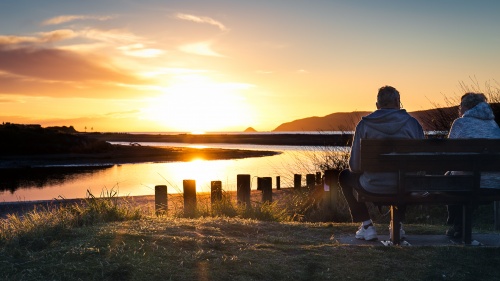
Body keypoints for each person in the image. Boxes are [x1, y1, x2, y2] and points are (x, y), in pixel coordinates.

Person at [338, 85, 425, 241]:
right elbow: (420, 164)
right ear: (398, 102)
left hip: (372, 185)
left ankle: (367, 226)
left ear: (377, 105)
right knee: (404, 176)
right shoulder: (413, 124)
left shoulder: (364, 125)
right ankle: (397, 226)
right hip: (403, 186)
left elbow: (355, 166)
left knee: (344, 176)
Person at [446, 92, 500, 238]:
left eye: (461, 105)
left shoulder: (460, 123)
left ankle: (456, 224)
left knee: (450, 179)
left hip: (467, 184)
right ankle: (458, 226)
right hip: (494, 184)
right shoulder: (494, 125)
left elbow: (449, 156)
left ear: (467, 107)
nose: (459, 109)